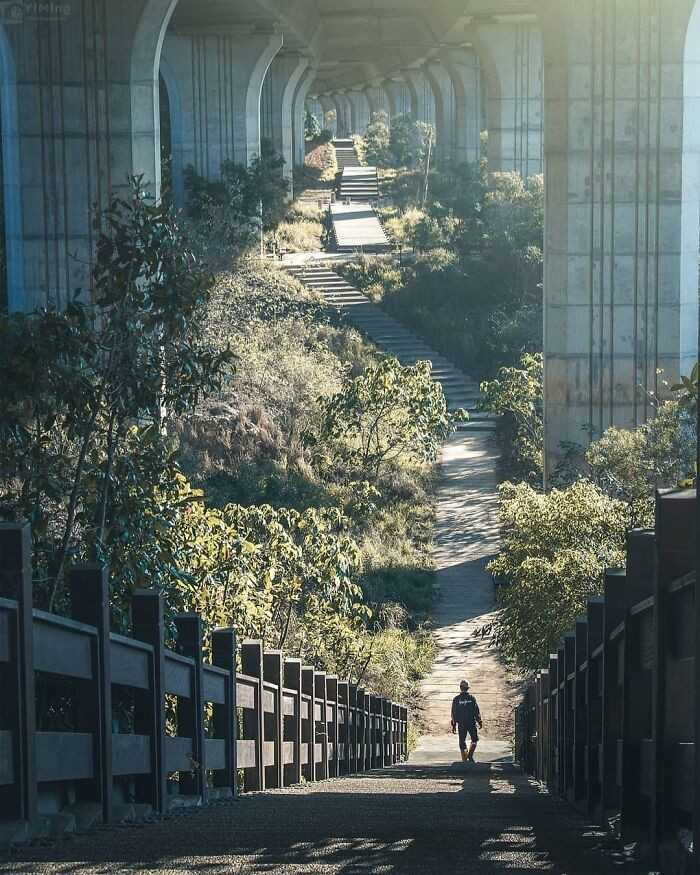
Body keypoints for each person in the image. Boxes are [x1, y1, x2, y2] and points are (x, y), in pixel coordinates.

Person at [451, 680, 483, 762]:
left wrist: (454, 725)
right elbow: (476, 711)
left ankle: (464, 760)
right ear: (467, 688)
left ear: (460, 688)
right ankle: (470, 755)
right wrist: (479, 721)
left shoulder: (456, 699)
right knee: (475, 740)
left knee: (462, 741)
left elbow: (453, 713)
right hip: (471, 722)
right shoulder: (472, 698)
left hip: (461, 723)